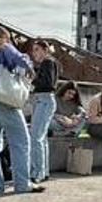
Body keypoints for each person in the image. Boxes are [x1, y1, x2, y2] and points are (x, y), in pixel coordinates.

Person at [0, 26, 41, 195]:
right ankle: (22, 184)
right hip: (2, 97)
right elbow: (22, 61)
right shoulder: (3, 46)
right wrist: (30, 68)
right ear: (4, 37)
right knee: (21, 140)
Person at [28, 39, 59, 184]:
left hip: (44, 100)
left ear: (45, 50)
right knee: (41, 137)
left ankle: (37, 172)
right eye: (33, 50)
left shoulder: (47, 62)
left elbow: (47, 83)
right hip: (45, 100)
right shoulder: (50, 63)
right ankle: (43, 171)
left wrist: (32, 79)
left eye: (37, 49)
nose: (34, 53)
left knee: (36, 137)